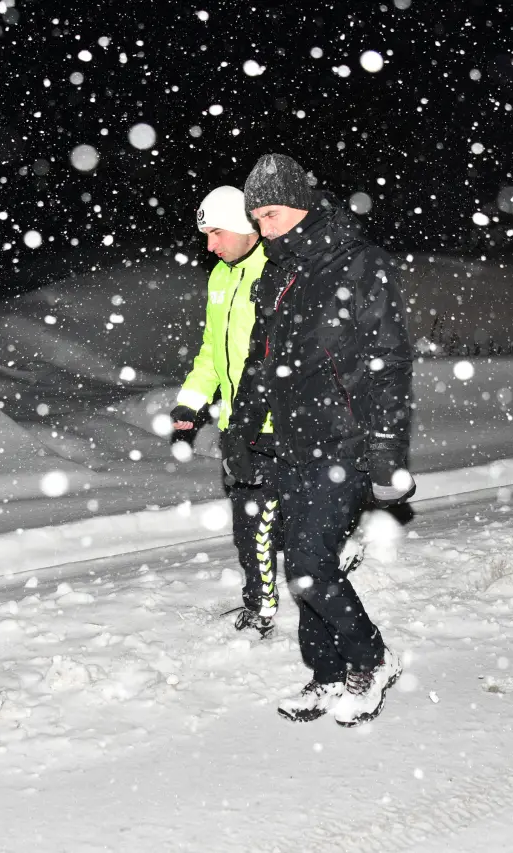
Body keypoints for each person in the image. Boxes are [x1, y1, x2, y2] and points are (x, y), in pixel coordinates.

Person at [224, 153, 414, 726]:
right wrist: (240, 430)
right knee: (306, 560)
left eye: (273, 213)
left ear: (304, 207)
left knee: (308, 561)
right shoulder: (277, 275)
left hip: (346, 442)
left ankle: (372, 657)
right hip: (289, 442)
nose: (264, 228)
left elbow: (389, 362)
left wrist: (386, 451)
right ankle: (327, 675)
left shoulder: (360, 264)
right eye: (257, 218)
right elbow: (261, 363)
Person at [169, 186, 280, 638]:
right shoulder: (220, 276)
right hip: (238, 426)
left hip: (281, 425)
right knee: (248, 524)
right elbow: (213, 352)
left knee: (265, 522)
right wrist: (192, 401)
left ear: (244, 226)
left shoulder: (277, 272)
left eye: (215, 232)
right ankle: (262, 598)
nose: (210, 245)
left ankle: (262, 610)